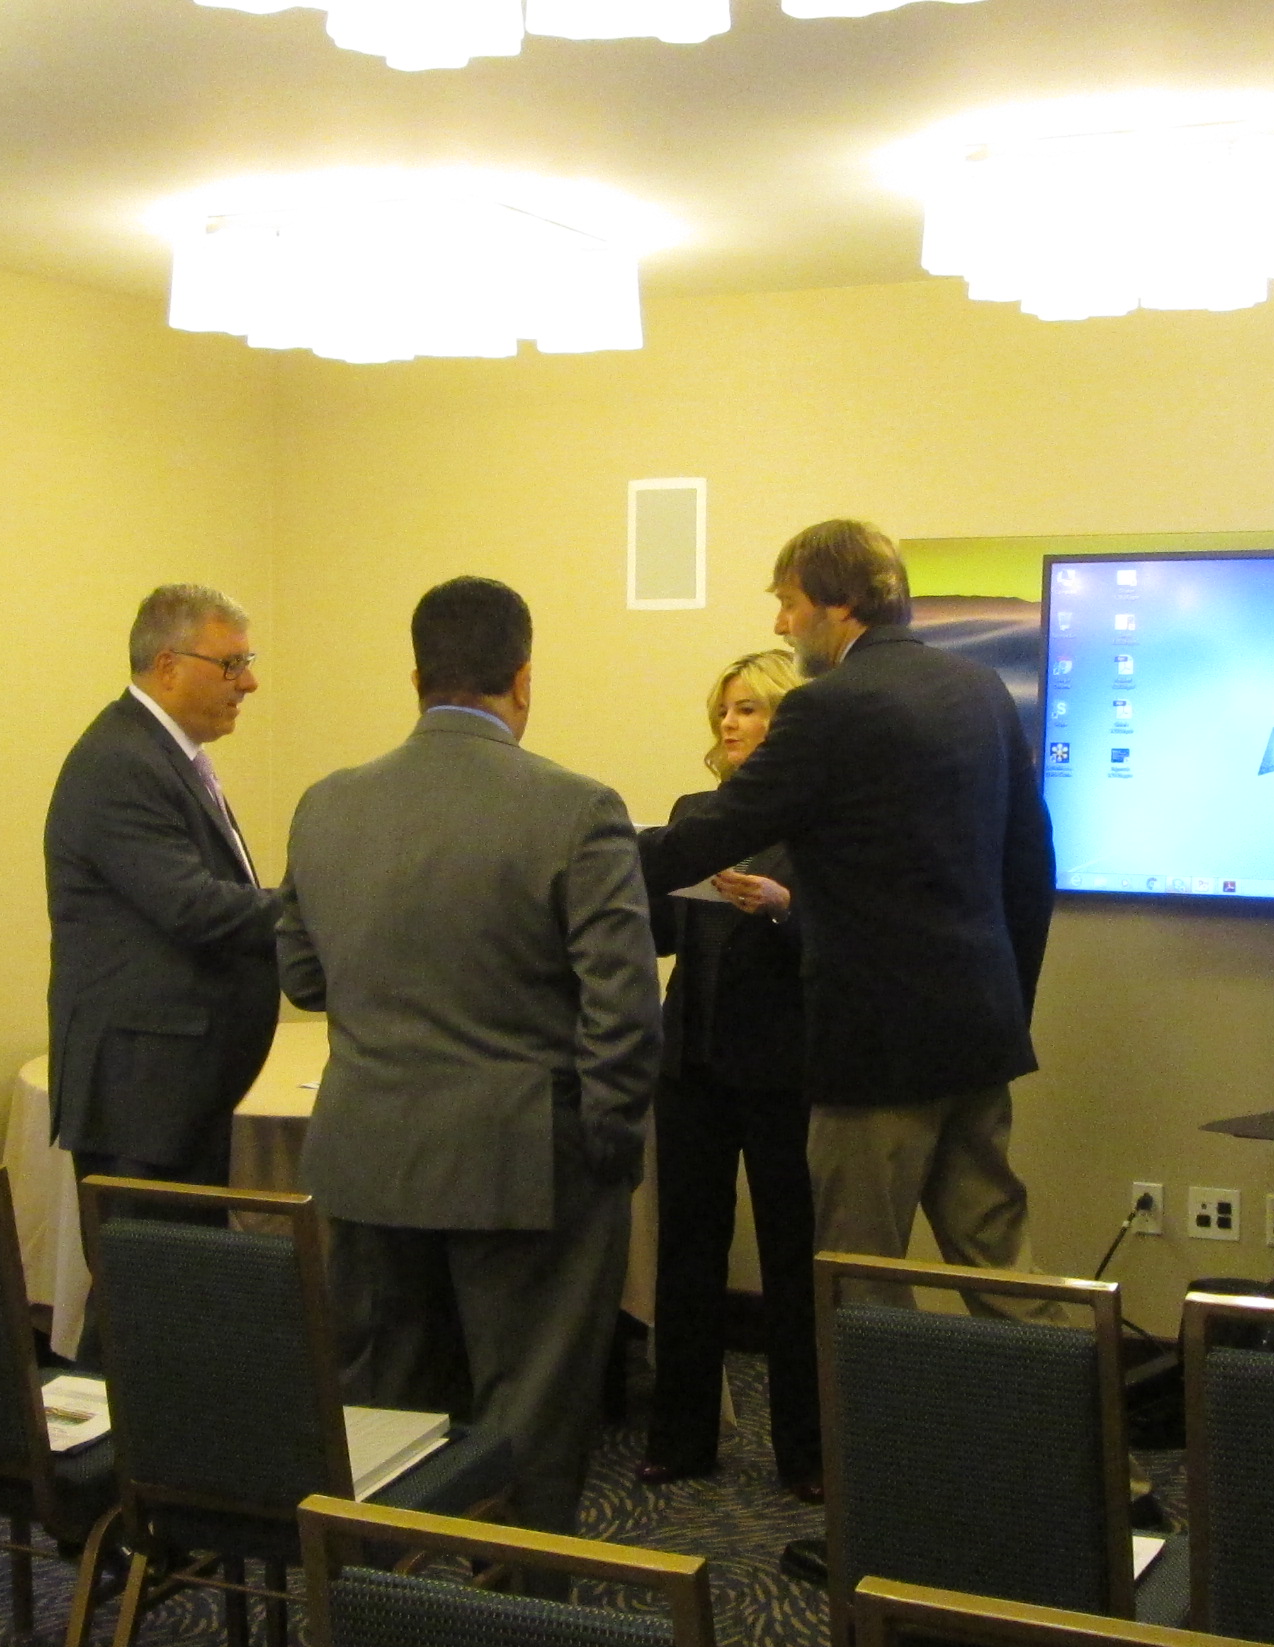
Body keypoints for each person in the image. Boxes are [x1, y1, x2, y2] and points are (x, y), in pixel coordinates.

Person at [275, 577, 661, 1552]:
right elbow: (624, 1012)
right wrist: (609, 1152)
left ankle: (383, 1605)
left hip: (365, 1159)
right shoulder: (579, 809)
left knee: (384, 1423)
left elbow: (303, 977)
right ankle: (514, 1618)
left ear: (416, 676)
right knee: (528, 1422)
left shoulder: (325, 805)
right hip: (525, 1166)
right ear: (523, 678)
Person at [639, 518, 1056, 1299]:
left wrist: (581, 851)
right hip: (978, 1037)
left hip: (875, 1058)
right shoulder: (980, 690)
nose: (780, 624)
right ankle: (1059, 1386)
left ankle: (876, 1394)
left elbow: (714, 835)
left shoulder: (829, 707)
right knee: (1004, 1270)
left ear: (839, 604)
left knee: (859, 1286)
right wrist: (1009, 1007)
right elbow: (1030, 866)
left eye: (788, 602)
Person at [642, 649, 820, 1496]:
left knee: (793, 1262)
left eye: (748, 708)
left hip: (785, 1067)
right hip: (693, 1063)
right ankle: (681, 1439)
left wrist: (783, 909)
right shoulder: (695, 814)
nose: (730, 722)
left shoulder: (822, 823)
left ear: (785, 720)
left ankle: (808, 1454)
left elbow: (848, 941)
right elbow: (661, 934)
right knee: (685, 1253)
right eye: (725, 708)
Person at [43, 584, 285, 1208]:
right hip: (141, 1099)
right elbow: (193, 907)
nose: (249, 683)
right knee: (150, 1267)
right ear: (168, 666)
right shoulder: (120, 761)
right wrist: (326, 906)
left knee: (184, 1265)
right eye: (232, 664)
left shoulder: (160, 755)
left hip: (176, 1091)